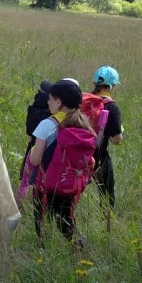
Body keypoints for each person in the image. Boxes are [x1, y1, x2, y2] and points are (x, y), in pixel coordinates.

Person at [27, 79, 94, 245]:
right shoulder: (84, 123)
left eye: (50, 99)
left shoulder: (47, 124)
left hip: (46, 185)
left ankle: (42, 252)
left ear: (58, 102)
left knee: (41, 224)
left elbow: (35, 160)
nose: (48, 102)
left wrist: (32, 153)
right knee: (66, 222)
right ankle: (80, 250)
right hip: (69, 184)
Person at [90, 66, 124, 207]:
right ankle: (107, 222)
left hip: (78, 154)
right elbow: (116, 140)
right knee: (106, 193)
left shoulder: (85, 101)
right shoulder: (112, 107)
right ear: (112, 86)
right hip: (99, 158)